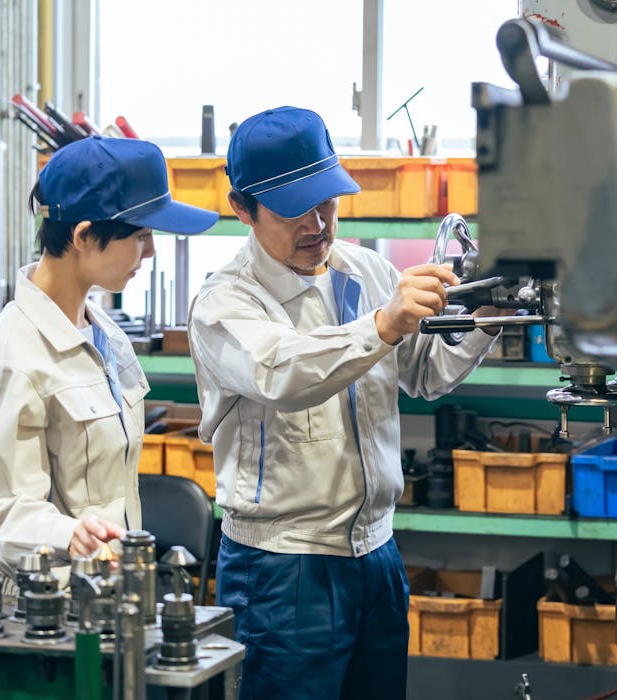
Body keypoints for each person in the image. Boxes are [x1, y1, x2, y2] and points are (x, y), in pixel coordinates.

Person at [188, 106, 509, 699]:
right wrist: (383, 325)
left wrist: (489, 314)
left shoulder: (366, 271)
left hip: (377, 553)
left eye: (327, 202)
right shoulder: (226, 303)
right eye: (293, 210)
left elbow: (427, 373)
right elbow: (282, 372)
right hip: (283, 568)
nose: (317, 223)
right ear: (242, 208)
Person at [0, 135, 218, 579]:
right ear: (84, 235)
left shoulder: (107, 338)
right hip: (45, 601)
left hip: (110, 589)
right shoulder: (9, 361)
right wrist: (66, 534)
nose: (151, 252)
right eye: (141, 235)